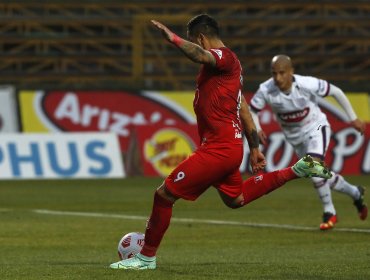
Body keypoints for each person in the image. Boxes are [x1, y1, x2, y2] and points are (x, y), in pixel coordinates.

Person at [109, 14, 331, 270]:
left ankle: (146, 258)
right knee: (235, 199)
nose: (198, 46)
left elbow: (200, 55)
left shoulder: (224, 58)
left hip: (218, 148)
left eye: (196, 41)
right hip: (230, 147)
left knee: (163, 195)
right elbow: (244, 109)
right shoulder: (229, 74)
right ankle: (297, 170)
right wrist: (255, 148)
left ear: (201, 38)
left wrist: (173, 39)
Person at [249, 54, 367, 230]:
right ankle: (355, 192)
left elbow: (336, 91)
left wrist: (353, 118)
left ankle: (330, 212)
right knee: (316, 171)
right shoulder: (266, 89)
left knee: (312, 166)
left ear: (291, 72)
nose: (278, 78)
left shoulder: (307, 84)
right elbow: (252, 110)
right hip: (295, 139)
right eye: (274, 73)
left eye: (282, 73)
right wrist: (257, 128)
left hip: (316, 128)